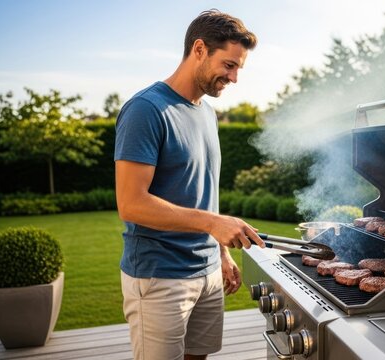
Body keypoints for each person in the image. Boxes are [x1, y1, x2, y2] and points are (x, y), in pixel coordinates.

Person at [114, 10, 264, 360]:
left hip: (208, 270)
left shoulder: (207, 113)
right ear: (199, 49)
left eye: (239, 68)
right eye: (229, 65)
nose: (235, 77)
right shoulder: (146, 110)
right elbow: (131, 204)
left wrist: (221, 251)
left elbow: (201, 192)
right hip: (160, 276)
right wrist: (214, 224)